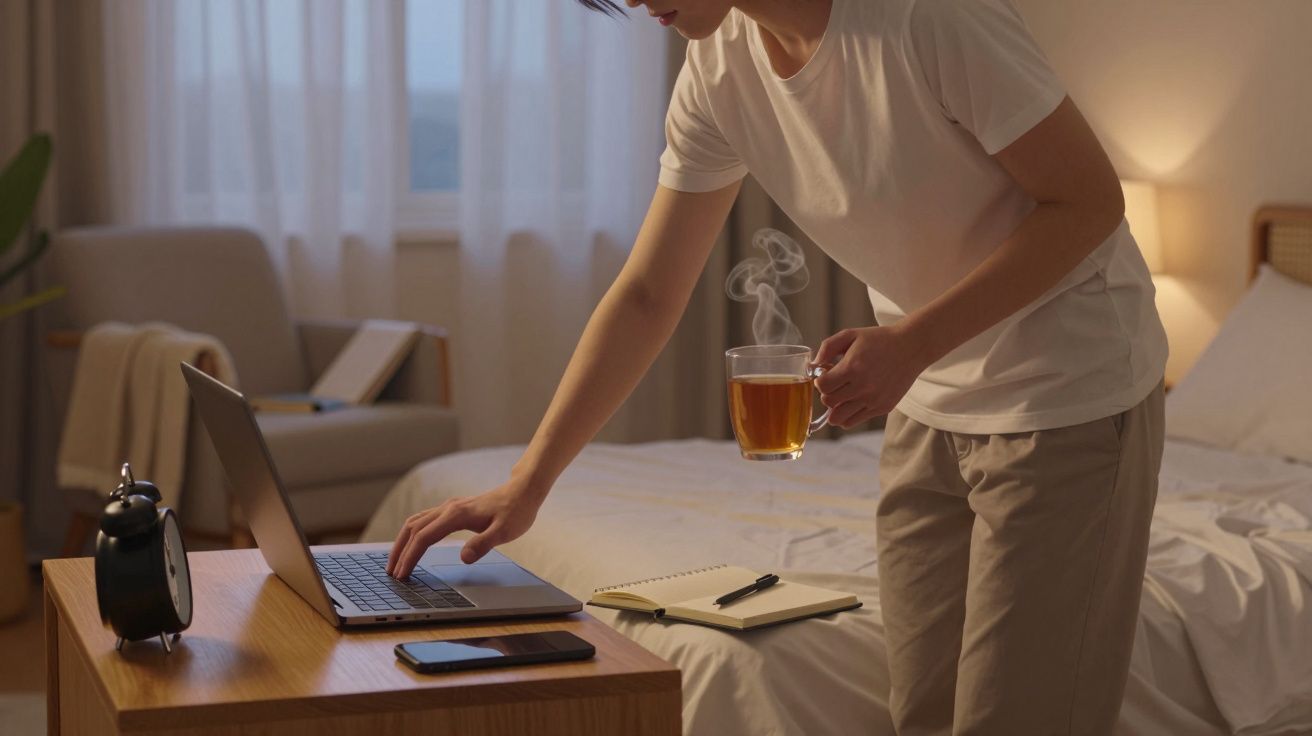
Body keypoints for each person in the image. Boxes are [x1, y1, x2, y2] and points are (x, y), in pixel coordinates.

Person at [389, 0, 1167, 732]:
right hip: (929, 405)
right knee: (923, 715)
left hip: (1063, 396)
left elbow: (1089, 202)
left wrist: (911, 345)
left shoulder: (927, 18)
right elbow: (649, 294)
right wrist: (528, 484)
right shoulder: (718, 70)